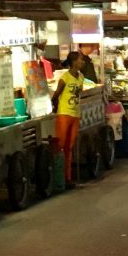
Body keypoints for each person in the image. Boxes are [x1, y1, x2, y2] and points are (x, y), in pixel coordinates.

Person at [51, 51, 85, 185]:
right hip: (64, 113)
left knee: (69, 147)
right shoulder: (65, 78)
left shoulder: (81, 77)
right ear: (74, 62)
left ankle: (67, 177)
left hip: (75, 114)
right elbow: (55, 96)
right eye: (80, 60)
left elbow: (79, 93)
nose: (82, 62)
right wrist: (55, 107)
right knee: (60, 145)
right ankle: (58, 177)